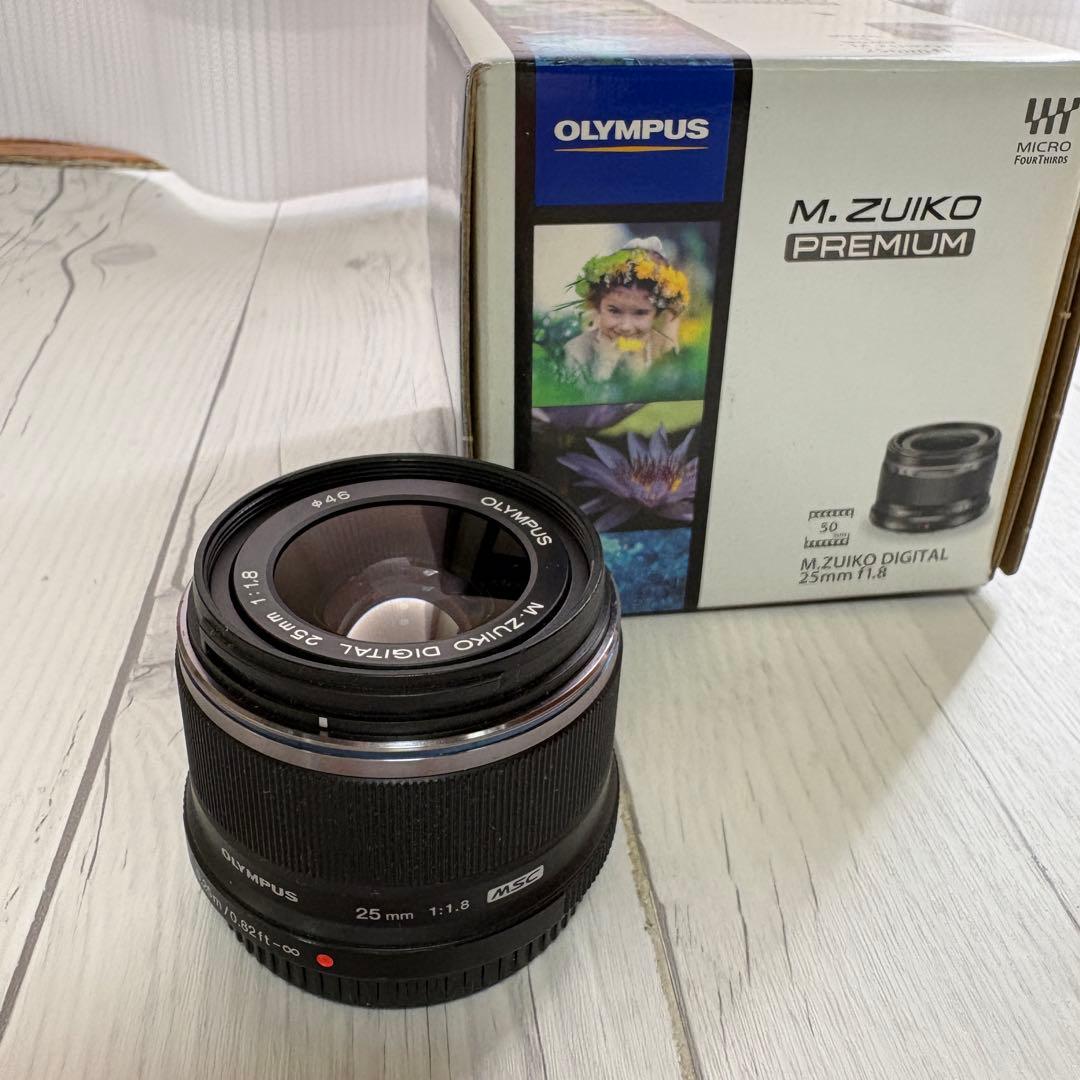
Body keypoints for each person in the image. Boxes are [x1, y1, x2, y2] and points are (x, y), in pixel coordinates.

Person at [563, 237, 689, 383]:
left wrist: (636, 369)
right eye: (614, 311)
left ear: (656, 313)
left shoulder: (663, 348)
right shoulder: (577, 349)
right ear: (598, 306)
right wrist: (606, 363)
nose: (626, 326)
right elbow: (581, 394)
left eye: (640, 313)